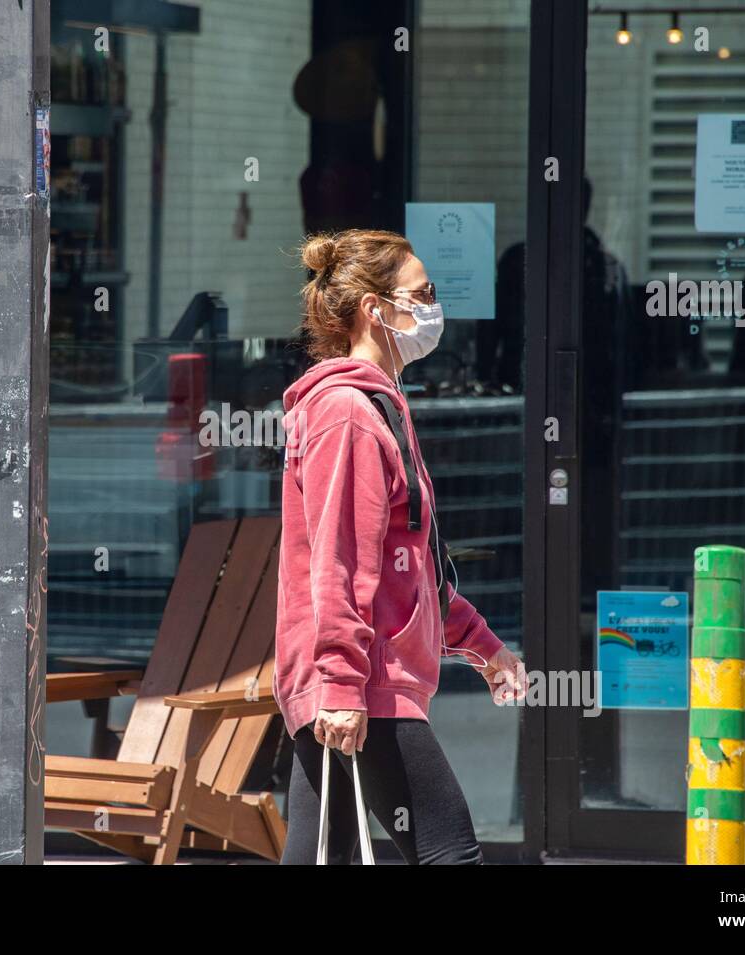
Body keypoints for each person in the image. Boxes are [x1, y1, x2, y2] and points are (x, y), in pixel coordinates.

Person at [275, 228, 527, 864]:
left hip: (353, 677)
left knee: (319, 854)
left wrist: (482, 644)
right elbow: (339, 564)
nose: (434, 308)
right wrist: (341, 687)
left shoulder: (378, 409)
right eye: (422, 294)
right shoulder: (348, 414)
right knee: (450, 853)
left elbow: (408, 567)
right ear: (374, 308)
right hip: (366, 680)